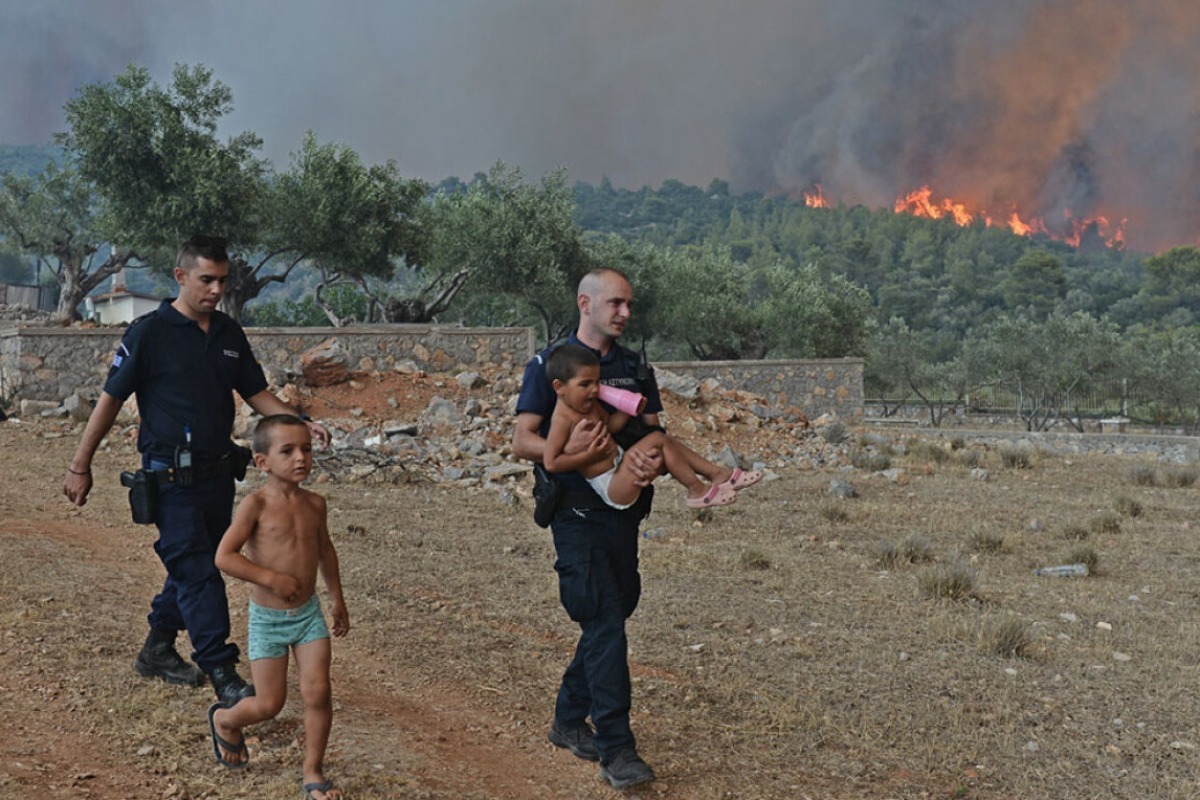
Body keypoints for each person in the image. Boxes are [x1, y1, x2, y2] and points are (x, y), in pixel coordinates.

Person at [63, 235, 332, 709]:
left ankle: (158, 648)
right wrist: (80, 465)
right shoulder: (148, 333)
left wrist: (300, 423)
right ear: (181, 276)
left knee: (196, 564)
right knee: (198, 570)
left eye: (222, 280)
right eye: (206, 279)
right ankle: (221, 668)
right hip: (169, 477)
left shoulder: (229, 334)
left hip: (217, 476)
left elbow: (256, 394)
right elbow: (110, 400)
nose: (215, 289)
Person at [513, 267, 668, 788]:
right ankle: (617, 750)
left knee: (616, 612)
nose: (624, 313)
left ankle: (566, 718)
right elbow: (524, 440)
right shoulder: (551, 365)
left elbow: (654, 433)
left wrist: (650, 462)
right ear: (586, 303)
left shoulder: (633, 367)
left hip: (623, 510)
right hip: (575, 513)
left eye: (629, 304)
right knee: (605, 622)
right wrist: (574, 455)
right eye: (615, 304)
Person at [208, 414, 348, 800]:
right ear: (262, 462)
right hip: (268, 620)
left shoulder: (315, 504)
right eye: (287, 451)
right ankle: (225, 719)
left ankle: (313, 772)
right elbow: (224, 556)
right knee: (270, 704)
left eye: (306, 448)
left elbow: (325, 550)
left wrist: (337, 597)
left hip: (307, 617)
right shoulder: (255, 505)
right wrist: (271, 579)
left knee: (318, 691)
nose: (300, 457)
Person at [543, 343, 760, 509]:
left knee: (664, 441)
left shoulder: (589, 405)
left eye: (596, 383)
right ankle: (696, 489)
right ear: (559, 387)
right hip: (611, 485)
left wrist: (628, 410)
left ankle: (718, 474)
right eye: (585, 384)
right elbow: (551, 462)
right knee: (657, 440)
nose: (593, 390)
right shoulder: (562, 418)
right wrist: (588, 456)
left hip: (620, 463)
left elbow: (611, 427)